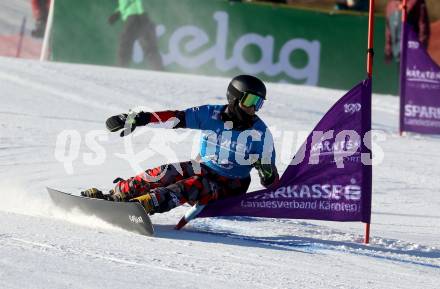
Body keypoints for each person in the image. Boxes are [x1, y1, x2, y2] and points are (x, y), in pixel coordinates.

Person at [82, 75, 279, 215]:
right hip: (204, 168)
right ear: (235, 98)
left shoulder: (260, 133)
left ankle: (145, 205)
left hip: (230, 187)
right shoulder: (210, 114)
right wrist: (139, 118)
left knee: (193, 185)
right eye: (250, 100)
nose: (253, 108)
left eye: (259, 103)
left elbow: (273, 185)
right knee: (166, 172)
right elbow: (175, 118)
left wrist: (268, 172)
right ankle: (116, 195)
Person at [109, 0, 164, 70]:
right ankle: (159, 68)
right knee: (149, 46)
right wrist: (118, 12)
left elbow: (126, 3)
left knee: (126, 43)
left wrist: (118, 12)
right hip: (144, 17)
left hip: (133, 16)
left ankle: (121, 66)